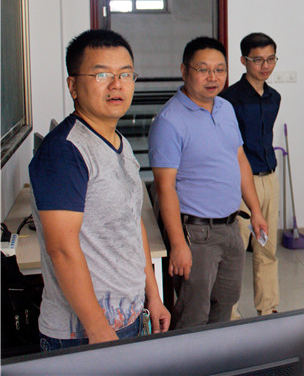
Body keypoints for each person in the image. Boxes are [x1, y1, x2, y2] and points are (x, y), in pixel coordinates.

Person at [29, 29, 170, 350]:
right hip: (83, 335)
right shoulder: (64, 152)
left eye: (126, 74)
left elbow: (132, 224)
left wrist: (153, 296)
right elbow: (61, 248)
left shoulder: (120, 143)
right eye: (102, 74)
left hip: (128, 318)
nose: (116, 84)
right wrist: (97, 328)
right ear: (73, 86)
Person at [148, 36, 269, 329]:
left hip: (231, 226)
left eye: (219, 69)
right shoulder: (169, 121)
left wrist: (255, 211)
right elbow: (165, 187)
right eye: (203, 69)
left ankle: (216, 356)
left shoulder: (225, 108)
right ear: (184, 70)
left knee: (224, 306)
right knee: (193, 314)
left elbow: (240, 160)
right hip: (196, 233)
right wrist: (178, 244)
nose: (213, 77)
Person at [220, 33, 281, 316]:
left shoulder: (274, 97)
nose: (265, 66)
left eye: (271, 59)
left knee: (268, 249)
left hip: (270, 177)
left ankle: (268, 309)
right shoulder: (228, 100)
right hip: (241, 182)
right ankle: (230, 314)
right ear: (244, 61)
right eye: (258, 60)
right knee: (236, 252)